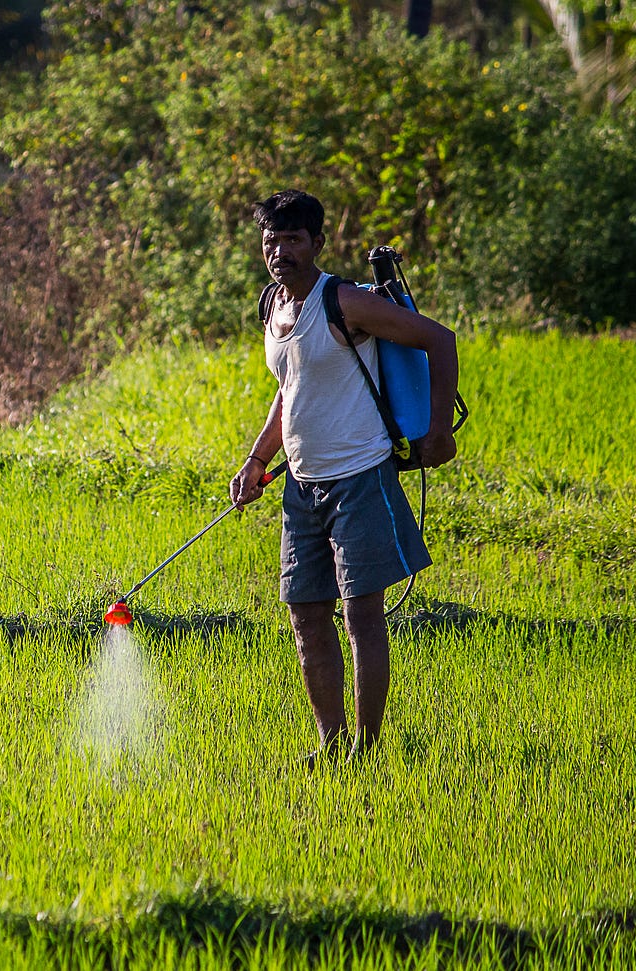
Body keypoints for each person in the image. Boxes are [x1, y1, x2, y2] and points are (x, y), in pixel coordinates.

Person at [229, 189, 458, 765]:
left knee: (361, 613)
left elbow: (438, 339)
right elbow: (291, 388)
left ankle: (368, 747)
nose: (280, 251)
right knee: (306, 614)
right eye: (271, 240)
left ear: (317, 243)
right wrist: (257, 460)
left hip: (361, 475)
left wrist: (437, 431)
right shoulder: (273, 306)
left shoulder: (345, 301)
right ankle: (330, 744)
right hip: (301, 486)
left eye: (293, 239)